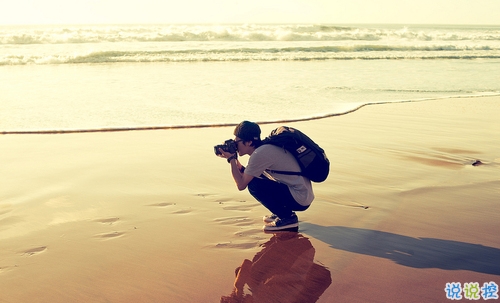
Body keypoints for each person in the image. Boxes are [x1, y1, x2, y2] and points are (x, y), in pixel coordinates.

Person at [218, 121, 315, 231]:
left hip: (300, 198)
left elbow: (241, 184)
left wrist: (231, 160)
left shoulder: (260, 155)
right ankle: (282, 212)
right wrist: (233, 159)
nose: (235, 146)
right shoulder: (264, 149)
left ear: (249, 142)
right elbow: (246, 174)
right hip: (301, 193)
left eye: (237, 142)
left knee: (254, 186)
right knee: (254, 178)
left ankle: (287, 218)